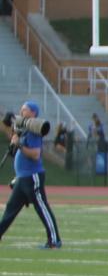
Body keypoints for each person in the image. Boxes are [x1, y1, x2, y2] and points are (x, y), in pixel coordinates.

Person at [0, 100, 62, 249]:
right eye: (21, 109)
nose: (22, 112)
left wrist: (19, 144)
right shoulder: (24, 129)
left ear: (33, 113)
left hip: (32, 176)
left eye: (25, 110)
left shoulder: (35, 130)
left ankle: (54, 240)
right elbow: (16, 149)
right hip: (23, 177)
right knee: (11, 208)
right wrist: (14, 137)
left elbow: (35, 154)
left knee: (42, 207)